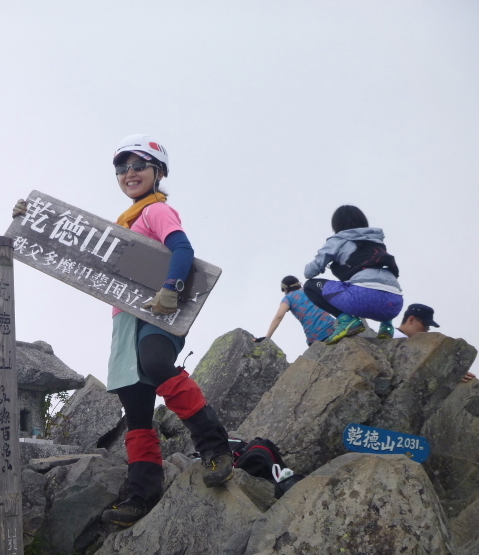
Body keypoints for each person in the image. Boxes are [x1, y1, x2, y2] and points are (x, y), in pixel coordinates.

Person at [97, 134, 233, 526]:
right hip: (125, 319)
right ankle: (143, 494)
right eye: (122, 168)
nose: (129, 173)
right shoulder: (126, 222)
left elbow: (183, 250)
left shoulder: (155, 212)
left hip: (160, 313)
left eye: (139, 165)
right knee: (135, 406)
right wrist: (32, 218)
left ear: (158, 172)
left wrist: (170, 289)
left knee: (156, 362)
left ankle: (215, 448)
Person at [303, 205, 403, 345]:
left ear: (336, 224)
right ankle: (387, 326)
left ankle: (347, 321)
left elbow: (309, 272)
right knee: (379, 280)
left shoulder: (338, 240)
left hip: (363, 298)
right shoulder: (376, 241)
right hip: (394, 304)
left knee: (309, 286)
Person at [396, 303, 475, 382]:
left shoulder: (406, 341)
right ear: (411, 319)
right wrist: (450, 373)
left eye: (428, 328)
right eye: (425, 325)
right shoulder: (395, 337)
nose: (426, 331)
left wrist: (452, 372)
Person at [254, 276, 335, 346]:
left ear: (285, 289)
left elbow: (279, 316)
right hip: (333, 327)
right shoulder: (308, 290)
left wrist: (267, 337)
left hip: (315, 338)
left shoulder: (288, 298)